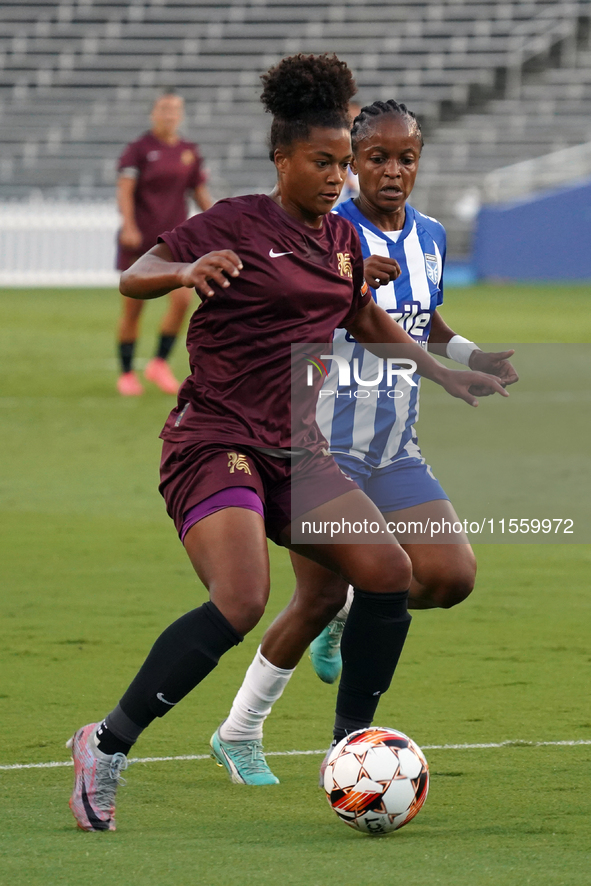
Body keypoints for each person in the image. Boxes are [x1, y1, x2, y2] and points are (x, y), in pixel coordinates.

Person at [66, 55, 507, 832]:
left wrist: (443, 372)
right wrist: (185, 269)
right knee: (242, 599)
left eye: (344, 163)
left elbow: (362, 319)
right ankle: (104, 746)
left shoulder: (340, 239)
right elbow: (137, 271)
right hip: (215, 441)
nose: (338, 177)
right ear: (282, 160)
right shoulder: (236, 219)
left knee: (385, 572)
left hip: (296, 453)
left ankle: (350, 747)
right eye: (323, 162)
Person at [211, 99, 518, 786]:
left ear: (417, 161)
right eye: (374, 157)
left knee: (449, 576)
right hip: (320, 450)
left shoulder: (430, 235)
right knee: (314, 598)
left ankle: (355, 606)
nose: (390, 170)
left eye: (404, 157)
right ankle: (239, 732)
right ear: (352, 163)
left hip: (394, 446)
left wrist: (466, 354)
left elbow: (424, 313)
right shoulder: (326, 232)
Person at [115, 91, 214, 396]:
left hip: (176, 242)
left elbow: (199, 193)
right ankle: (127, 373)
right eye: (164, 108)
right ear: (153, 113)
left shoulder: (188, 151)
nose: (170, 113)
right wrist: (128, 224)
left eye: (175, 109)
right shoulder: (138, 150)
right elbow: (125, 190)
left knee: (183, 301)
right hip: (141, 239)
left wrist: (223, 220)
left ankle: (158, 363)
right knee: (134, 308)